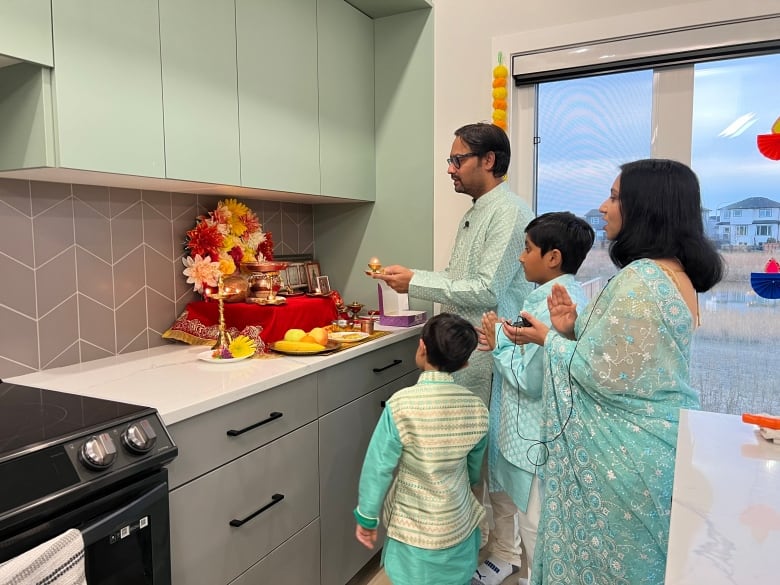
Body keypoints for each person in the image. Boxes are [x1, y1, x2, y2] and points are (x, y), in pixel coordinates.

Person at [514, 159, 724, 585]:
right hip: (654, 449)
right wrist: (574, 328)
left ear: (645, 208)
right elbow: (637, 364)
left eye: (614, 197)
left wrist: (547, 340)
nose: (604, 207)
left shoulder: (641, 278)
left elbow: (602, 375)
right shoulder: (676, 275)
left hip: (623, 462)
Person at [372, 123, 533, 573]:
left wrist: (416, 281)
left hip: (488, 350)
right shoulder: (478, 211)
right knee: (462, 455)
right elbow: (457, 278)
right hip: (465, 353)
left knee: (491, 456)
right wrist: (415, 279)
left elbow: (485, 289)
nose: (450, 169)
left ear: (489, 160)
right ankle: (471, 540)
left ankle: (503, 554)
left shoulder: (509, 213)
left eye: (457, 159)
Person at [475, 212, 594, 585]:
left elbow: (532, 378)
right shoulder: (559, 297)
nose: (521, 257)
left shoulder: (553, 305)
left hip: (534, 445)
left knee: (537, 535)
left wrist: (497, 346)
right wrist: (507, 336)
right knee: (534, 531)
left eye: (527, 249)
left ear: (553, 257)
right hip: (532, 442)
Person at [353, 313, 489, 585]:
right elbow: (474, 467)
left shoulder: (401, 405)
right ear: (464, 363)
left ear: (422, 347)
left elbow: (378, 466)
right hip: (458, 522)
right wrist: (470, 483)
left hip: (411, 528)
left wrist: (367, 517)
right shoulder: (477, 408)